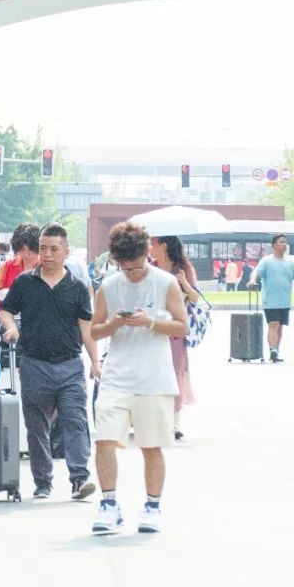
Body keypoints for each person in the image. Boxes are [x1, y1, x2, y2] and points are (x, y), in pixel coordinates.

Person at [89, 222, 189, 535]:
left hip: (154, 378)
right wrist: (114, 324)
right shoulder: (110, 286)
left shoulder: (166, 283)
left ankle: (152, 506)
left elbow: (182, 326)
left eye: (136, 266)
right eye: (125, 267)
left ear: (147, 253)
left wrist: (150, 322)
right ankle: (109, 504)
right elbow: (94, 330)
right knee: (104, 441)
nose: (131, 273)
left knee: (151, 445)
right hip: (116, 377)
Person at [0, 223, 100, 501]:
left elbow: (86, 327)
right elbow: (6, 310)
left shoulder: (77, 287)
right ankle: (43, 481)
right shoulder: (25, 282)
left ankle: (80, 478)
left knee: (75, 421)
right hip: (35, 365)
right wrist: (12, 327)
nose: (47, 254)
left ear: (66, 251)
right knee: (36, 427)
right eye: (43, 248)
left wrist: (95, 361)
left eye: (54, 249)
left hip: (70, 366)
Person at [149, 236, 197, 440]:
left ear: (164, 246)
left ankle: (175, 422)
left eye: (153, 244)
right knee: (154, 373)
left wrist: (184, 282)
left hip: (176, 331)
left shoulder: (183, 268)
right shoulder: (150, 268)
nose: (150, 247)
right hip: (154, 329)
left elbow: (195, 297)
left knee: (175, 374)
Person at [249, 235, 294, 363]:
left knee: (279, 327)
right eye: (281, 242)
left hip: (285, 301)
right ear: (274, 245)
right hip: (270, 300)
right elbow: (256, 272)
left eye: (286, 242)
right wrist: (252, 280)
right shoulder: (266, 261)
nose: (285, 244)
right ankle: (273, 349)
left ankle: (275, 351)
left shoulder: (291, 262)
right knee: (273, 324)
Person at [0, 223, 40, 306]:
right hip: (9, 313)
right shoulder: (7, 266)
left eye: (31, 250)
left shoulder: (46, 267)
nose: (26, 255)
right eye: (22, 250)